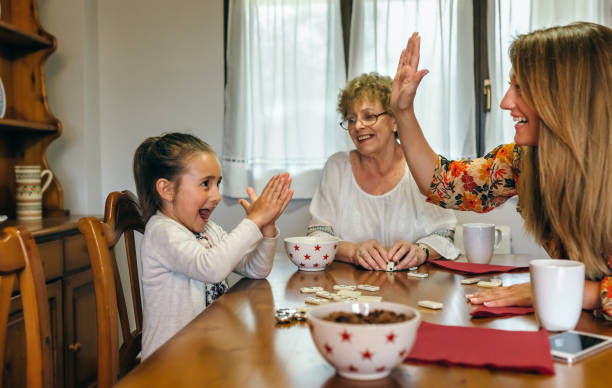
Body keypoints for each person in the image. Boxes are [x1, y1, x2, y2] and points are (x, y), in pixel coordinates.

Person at [390, 23, 611, 320]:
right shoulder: (522, 160)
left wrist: (555, 289)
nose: (505, 102)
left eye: (520, 88)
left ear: (568, 96)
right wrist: (403, 112)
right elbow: (442, 184)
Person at [133, 132, 294, 357]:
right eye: (205, 183)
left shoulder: (208, 230)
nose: (217, 196)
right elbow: (211, 268)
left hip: (205, 349)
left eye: (217, 183)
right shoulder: (162, 231)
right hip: (168, 361)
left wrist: (266, 228)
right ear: (167, 190)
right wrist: (253, 221)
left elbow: (255, 270)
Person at [308, 73, 460, 271]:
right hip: (350, 291)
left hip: (413, 292)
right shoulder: (337, 167)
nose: (357, 126)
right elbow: (317, 235)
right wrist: (354, 251)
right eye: (351, 119)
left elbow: (444, 232)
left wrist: (420, 251)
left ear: (395, 121)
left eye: (369, 116)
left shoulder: (420, 167)